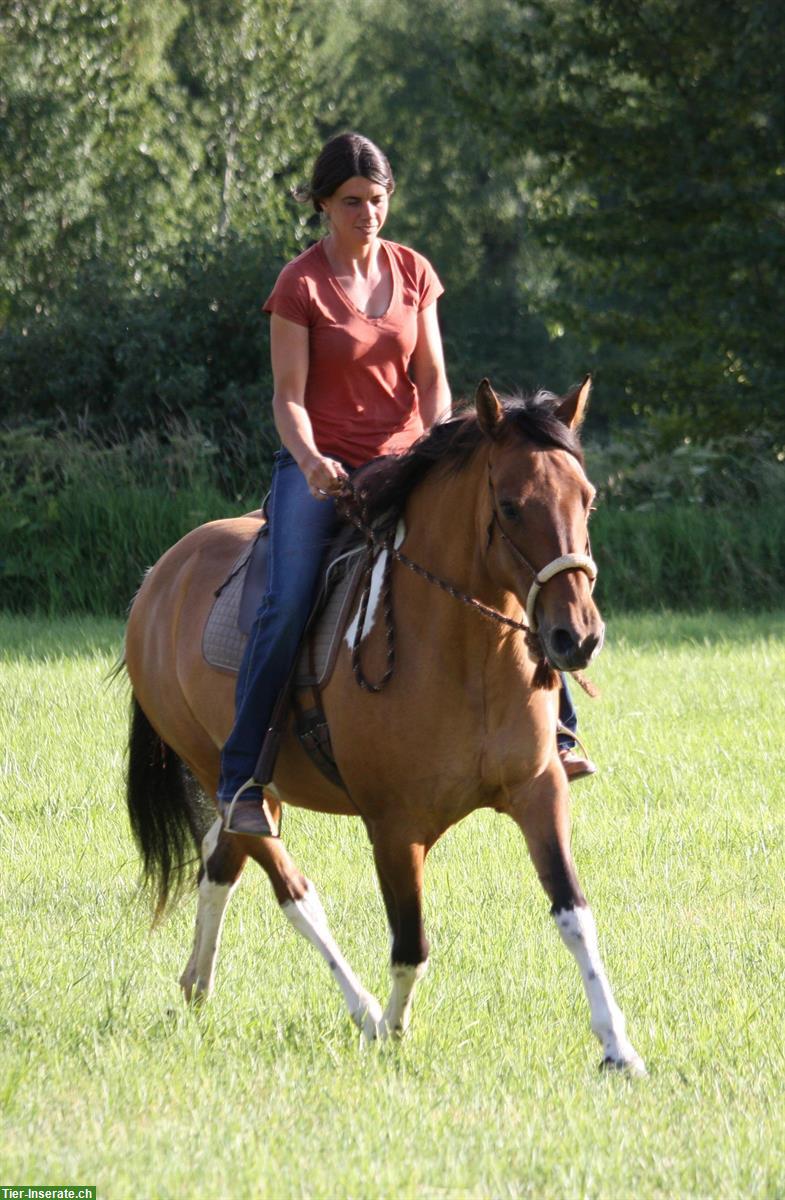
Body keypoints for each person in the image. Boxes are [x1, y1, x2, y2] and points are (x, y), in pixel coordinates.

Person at [218, 131, 592, 839]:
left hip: (404, 460)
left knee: (510, 556)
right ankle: (242, 775)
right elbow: (287, 398)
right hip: (320, 473)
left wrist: (431, 450)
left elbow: (431, 380)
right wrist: (309, 461)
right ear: (323, 205)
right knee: (289, 597)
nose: (367, 213)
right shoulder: (299, 285)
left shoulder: (414, 271)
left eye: (377, 200)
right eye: (352, 201)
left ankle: (559, 734)